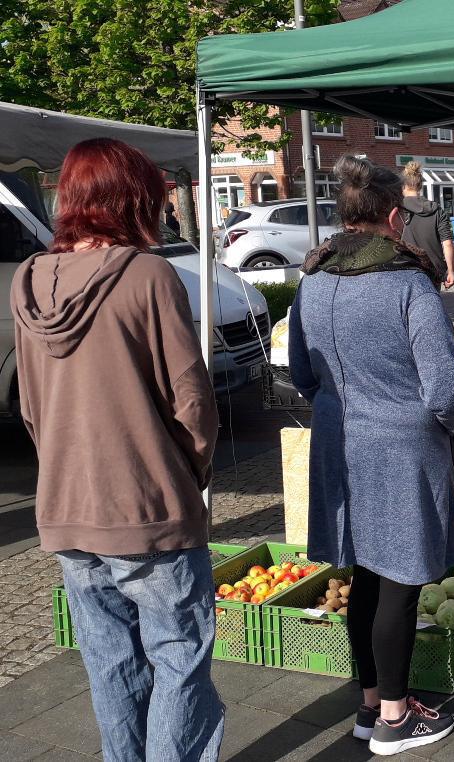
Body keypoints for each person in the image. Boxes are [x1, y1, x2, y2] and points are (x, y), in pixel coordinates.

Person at [10, 138, 223, 761]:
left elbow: (30, 407)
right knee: (179, 659)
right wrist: (189, 473)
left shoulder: (27, 283)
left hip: (65, 506)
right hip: (149, 506)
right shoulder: (149, 274)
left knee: (109, 663)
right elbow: (192, 401)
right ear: (136, 198)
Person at [289, 155, 454, 756]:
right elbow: (444, 387)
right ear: (395, 215)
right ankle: (396, 717)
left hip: (339, 444)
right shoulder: (407, 282)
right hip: (401, 446)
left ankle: (369, 704)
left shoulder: (311, 279)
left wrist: (342, 408)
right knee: (399, 584)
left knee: (364, 573)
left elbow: (300, 374)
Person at [399, 160, 454, 289]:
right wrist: (451, 271)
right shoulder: (437, 210)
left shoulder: (397, 209)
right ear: (420, 186)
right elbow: (447, 243)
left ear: (403, 186)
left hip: (406, 269)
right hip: (433, 271)